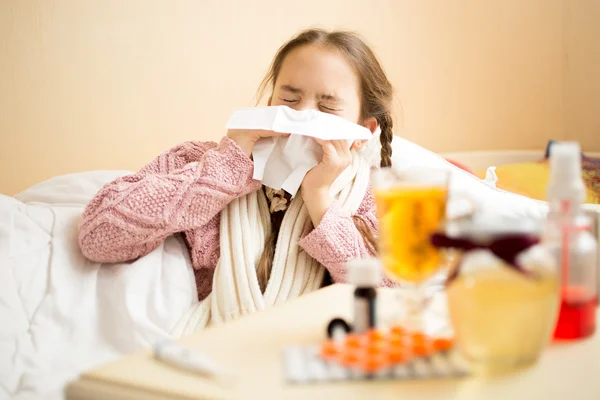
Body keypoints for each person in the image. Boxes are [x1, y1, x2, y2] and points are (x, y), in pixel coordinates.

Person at [78, 28, 396, 310]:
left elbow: (392, 300)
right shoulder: (201, 161)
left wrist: (320, 198)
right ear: (269, 103)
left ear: (363, 131)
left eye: (327, 107)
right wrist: (227, 168)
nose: (303, 116)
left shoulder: (378, 198)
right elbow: (98, 236)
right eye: (289, 98)